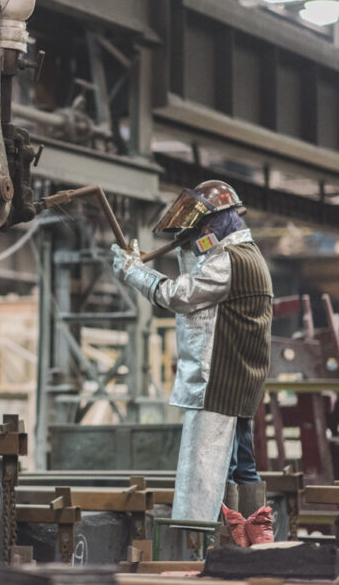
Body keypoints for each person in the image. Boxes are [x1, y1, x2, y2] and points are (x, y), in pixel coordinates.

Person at [111, 181, 273, 539]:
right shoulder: (247, 255)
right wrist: (185, 247)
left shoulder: (228, 262)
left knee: (211, 476)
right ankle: (253, 541)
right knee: (241, 466)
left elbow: (178, 294)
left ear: (218, 222)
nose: (199, 233)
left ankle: (214, 545)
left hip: (218, 383)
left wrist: (132, 271)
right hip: (239, 383)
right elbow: (199, 279)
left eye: (202, 226)